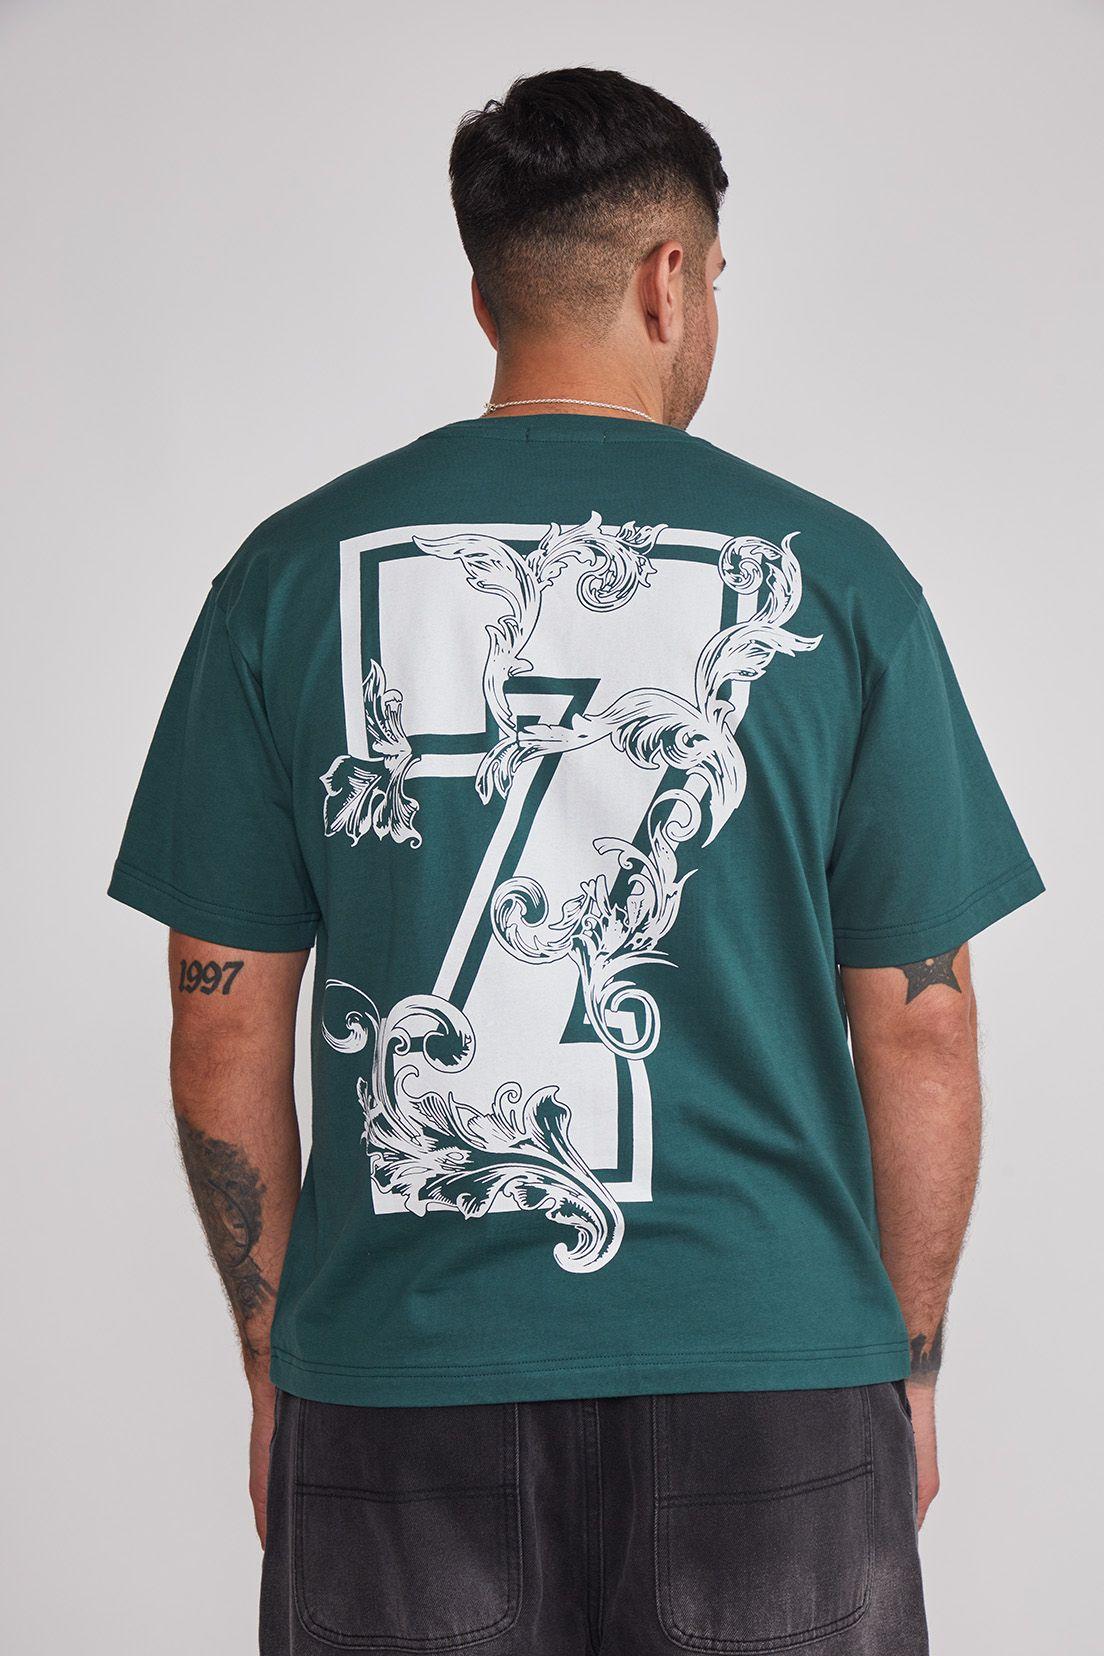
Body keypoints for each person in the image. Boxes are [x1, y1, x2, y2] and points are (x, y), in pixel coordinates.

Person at [110, 66, 1043, 1656]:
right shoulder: (840, 582)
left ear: (486, 295)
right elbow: (924, 1020)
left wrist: (279, 1365)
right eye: (716, 280)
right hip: (772, 1385)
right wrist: (906, 1368)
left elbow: (221, 1020)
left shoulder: (284, 577)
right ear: (670, 282)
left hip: (398, 1388)